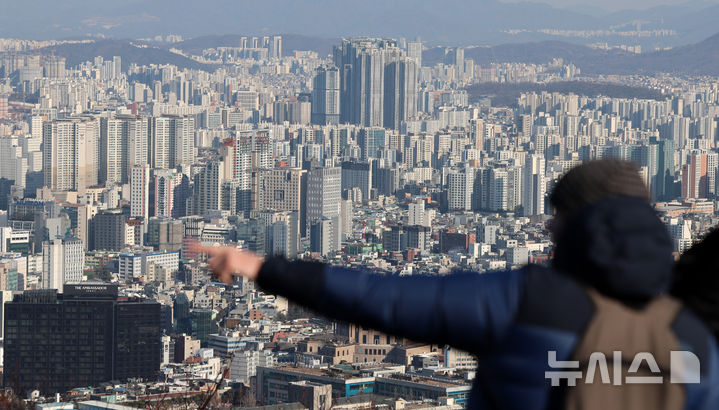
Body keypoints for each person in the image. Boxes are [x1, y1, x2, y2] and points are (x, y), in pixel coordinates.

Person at [199, 160, 719, 410]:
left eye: (558, 216)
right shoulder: (692, 338)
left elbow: (387, 301)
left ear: (577, 225)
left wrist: (263, 268)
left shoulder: (527, 301)